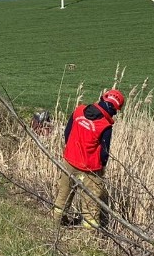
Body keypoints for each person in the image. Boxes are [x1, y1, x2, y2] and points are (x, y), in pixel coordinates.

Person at [53, 89, 125, 229]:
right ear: (111, 107)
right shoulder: (105, 126)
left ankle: (56, 224)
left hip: (69, 162)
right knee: (91, 205)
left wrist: (72, 150)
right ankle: (89, 237)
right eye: (115, 110)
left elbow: (67, 133)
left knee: (63, 196)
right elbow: (104, 153)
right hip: (90, 169)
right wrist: (102, 168)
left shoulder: (79, 111)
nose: (115, 113)